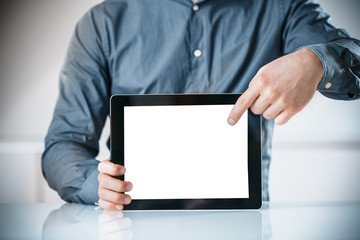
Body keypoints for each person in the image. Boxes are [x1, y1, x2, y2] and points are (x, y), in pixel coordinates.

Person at [42, 0, 360, 211]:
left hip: (244, 226)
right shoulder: (103, 23)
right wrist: (93, 184)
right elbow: (62, 145)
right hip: (131, 224)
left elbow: (353, 55)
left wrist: (317, 62)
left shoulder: (282, 8)